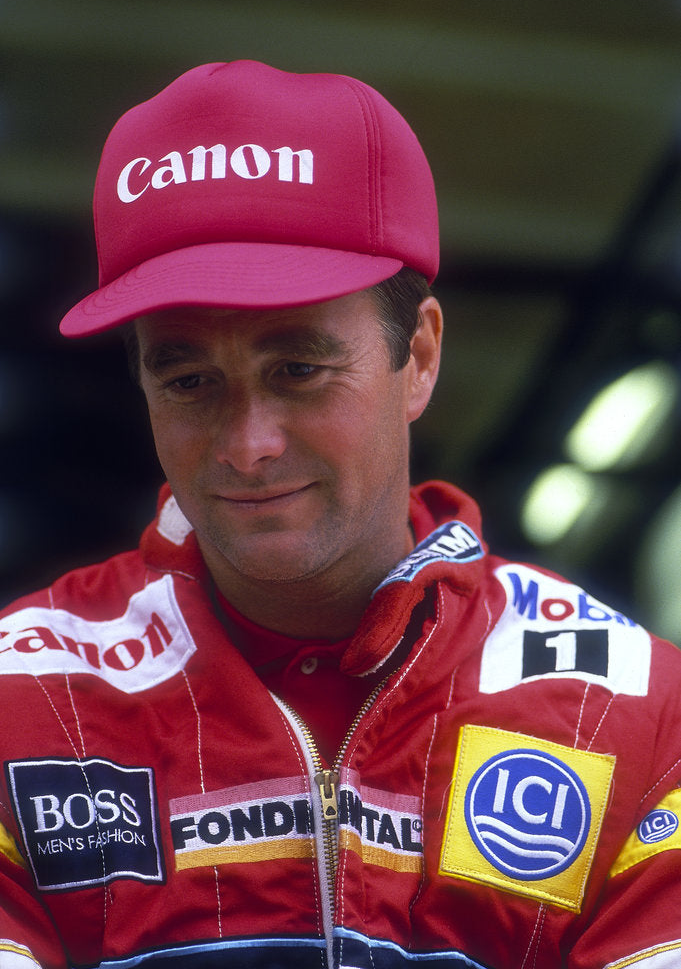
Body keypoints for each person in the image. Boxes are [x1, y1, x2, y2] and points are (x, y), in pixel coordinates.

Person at [0, 60, 679, 969]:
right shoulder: (23, 703)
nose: (248, 444)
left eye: (299, 369)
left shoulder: (636, 716)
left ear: (422, 356)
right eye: (190, 380)